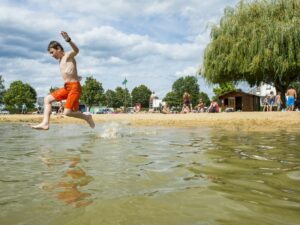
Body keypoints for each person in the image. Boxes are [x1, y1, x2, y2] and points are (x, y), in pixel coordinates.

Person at [31, 31, 95, 130]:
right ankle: (45, 123)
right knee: (47, 99)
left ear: (59, 49)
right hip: (67, 87)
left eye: (52, 52)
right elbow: (70, 71)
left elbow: (76, 50)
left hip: (74, 87)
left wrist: (68, 40)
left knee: (67, 112)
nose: (52, 55)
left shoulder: (67, 56)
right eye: (50, 53)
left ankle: (87, 117)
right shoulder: (60, 61)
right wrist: (76, 75)